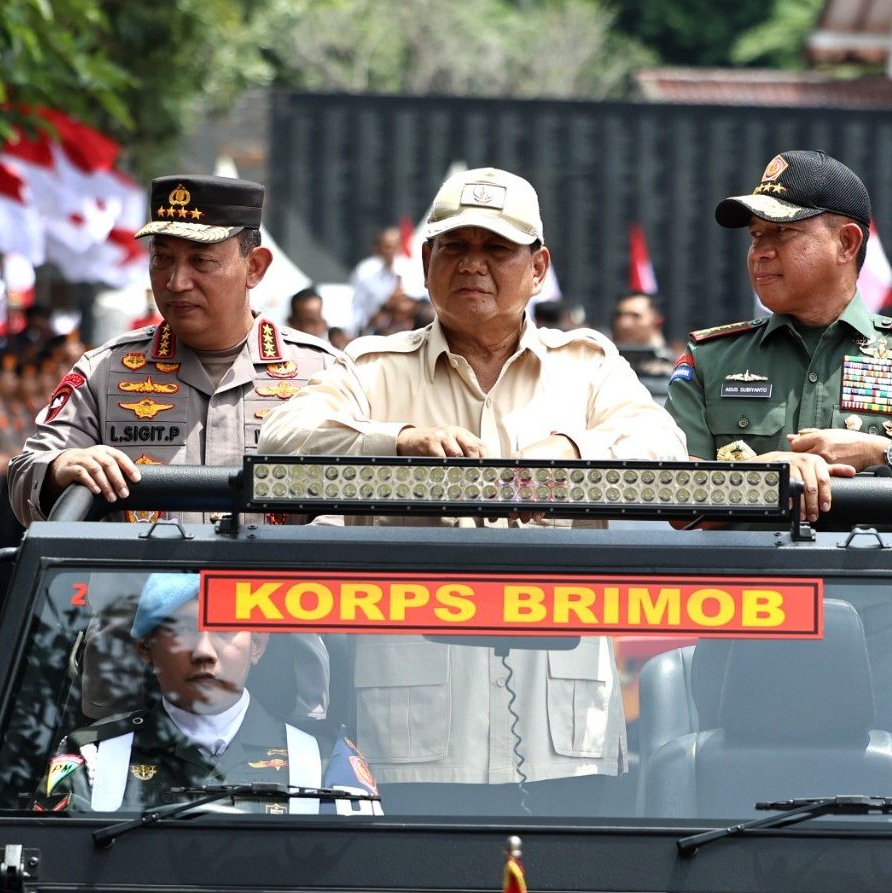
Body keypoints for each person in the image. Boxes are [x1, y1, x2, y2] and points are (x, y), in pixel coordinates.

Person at [260, 166, 685, 787]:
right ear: (427, 260)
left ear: (538, 268)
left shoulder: (587, 367)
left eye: (496, 250)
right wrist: (397, 442)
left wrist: (570, 452)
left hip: (565, 736)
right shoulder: (374, 369)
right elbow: (281, 441)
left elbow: (665, 448)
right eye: (454, 248)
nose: (471, 266)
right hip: (409, 734)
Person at [667, 150, 892, 522]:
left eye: (783, 231)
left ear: (847, 243)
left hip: (873, 579)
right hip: (749, 581)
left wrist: (883, 452)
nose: (761, 252)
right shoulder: (710, 359)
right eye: (756, 235)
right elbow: (670, 497)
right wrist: (759, 478)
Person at [11, 175, 340, 524]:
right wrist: (60, 468)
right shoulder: (105, 371)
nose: (175, 282)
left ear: (254, 267)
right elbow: (24, 480)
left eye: (201, 262)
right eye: (162, 258)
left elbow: (364, 503)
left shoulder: (321, 373)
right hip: (137, 578)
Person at [37, 573, 358, 813]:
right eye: (181, 631)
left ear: (257, 645)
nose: (204, 652)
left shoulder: (324, 760)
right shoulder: (92, 758)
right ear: (146, 649)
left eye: (224, 629)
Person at [349, 224, 405, 336]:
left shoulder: (415, 272)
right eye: (386, 247)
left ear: (400, 246)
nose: (390, 252)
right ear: (378, 248)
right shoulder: (366, 273)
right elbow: (358, 310)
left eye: (394, 246)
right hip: (376, 334)